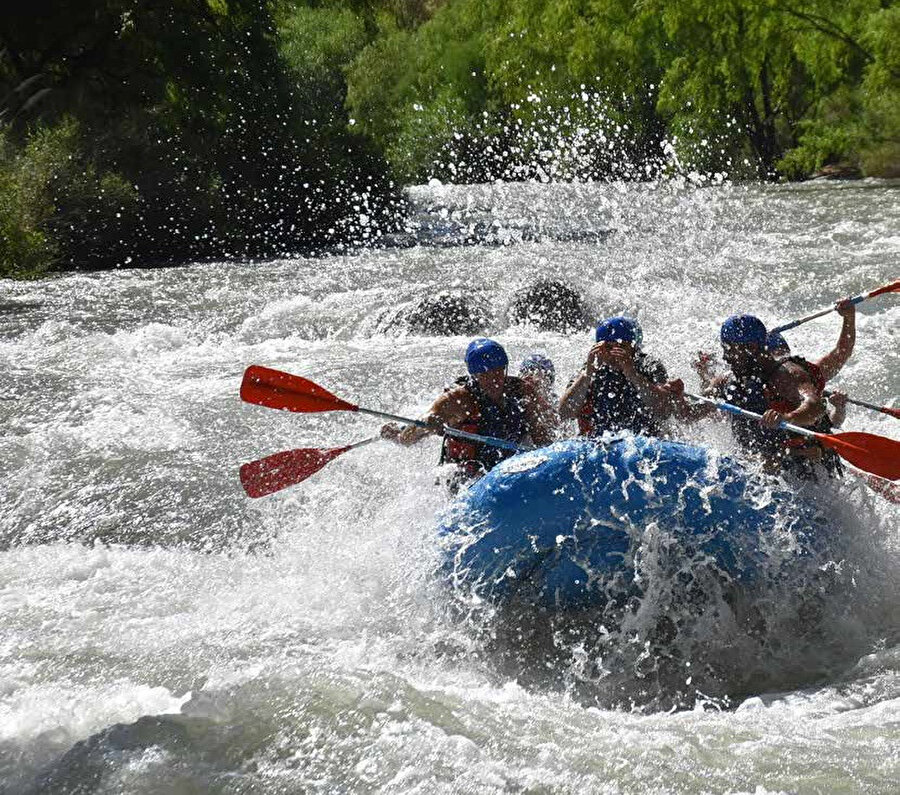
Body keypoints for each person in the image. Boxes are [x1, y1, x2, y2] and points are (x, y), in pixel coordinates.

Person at [380, 338, 556, 488]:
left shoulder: (523, 391)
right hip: (467, 479)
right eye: (485, 374)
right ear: (474, 375)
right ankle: (395, 432)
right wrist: (430, 422)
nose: (493, 379)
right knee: (407, 435)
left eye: (498, 371)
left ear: (505, 368)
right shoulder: (459, 400)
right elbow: (424, 423)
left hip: (509, 467)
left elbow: (542, 438)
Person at [693, 314, 841, 478]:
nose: (725, 357)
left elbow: (815, 406)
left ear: (752, 347)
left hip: (804, 467)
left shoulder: (786, 374)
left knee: (777, 458)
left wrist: (786, 418)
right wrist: (673, 395)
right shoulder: (728, 380)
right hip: (758, 464)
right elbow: (692, 412)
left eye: (730, 350)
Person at [559, 316, 680, 437]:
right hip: (599, 441)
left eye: (621, 347)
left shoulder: (649, 365)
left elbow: (664, 410)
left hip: (644, 439)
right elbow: (565, 413)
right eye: (608, 347)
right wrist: (588, 375)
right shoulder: (590, 368)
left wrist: (631, 373)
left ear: (634, 348)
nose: (614, 354)